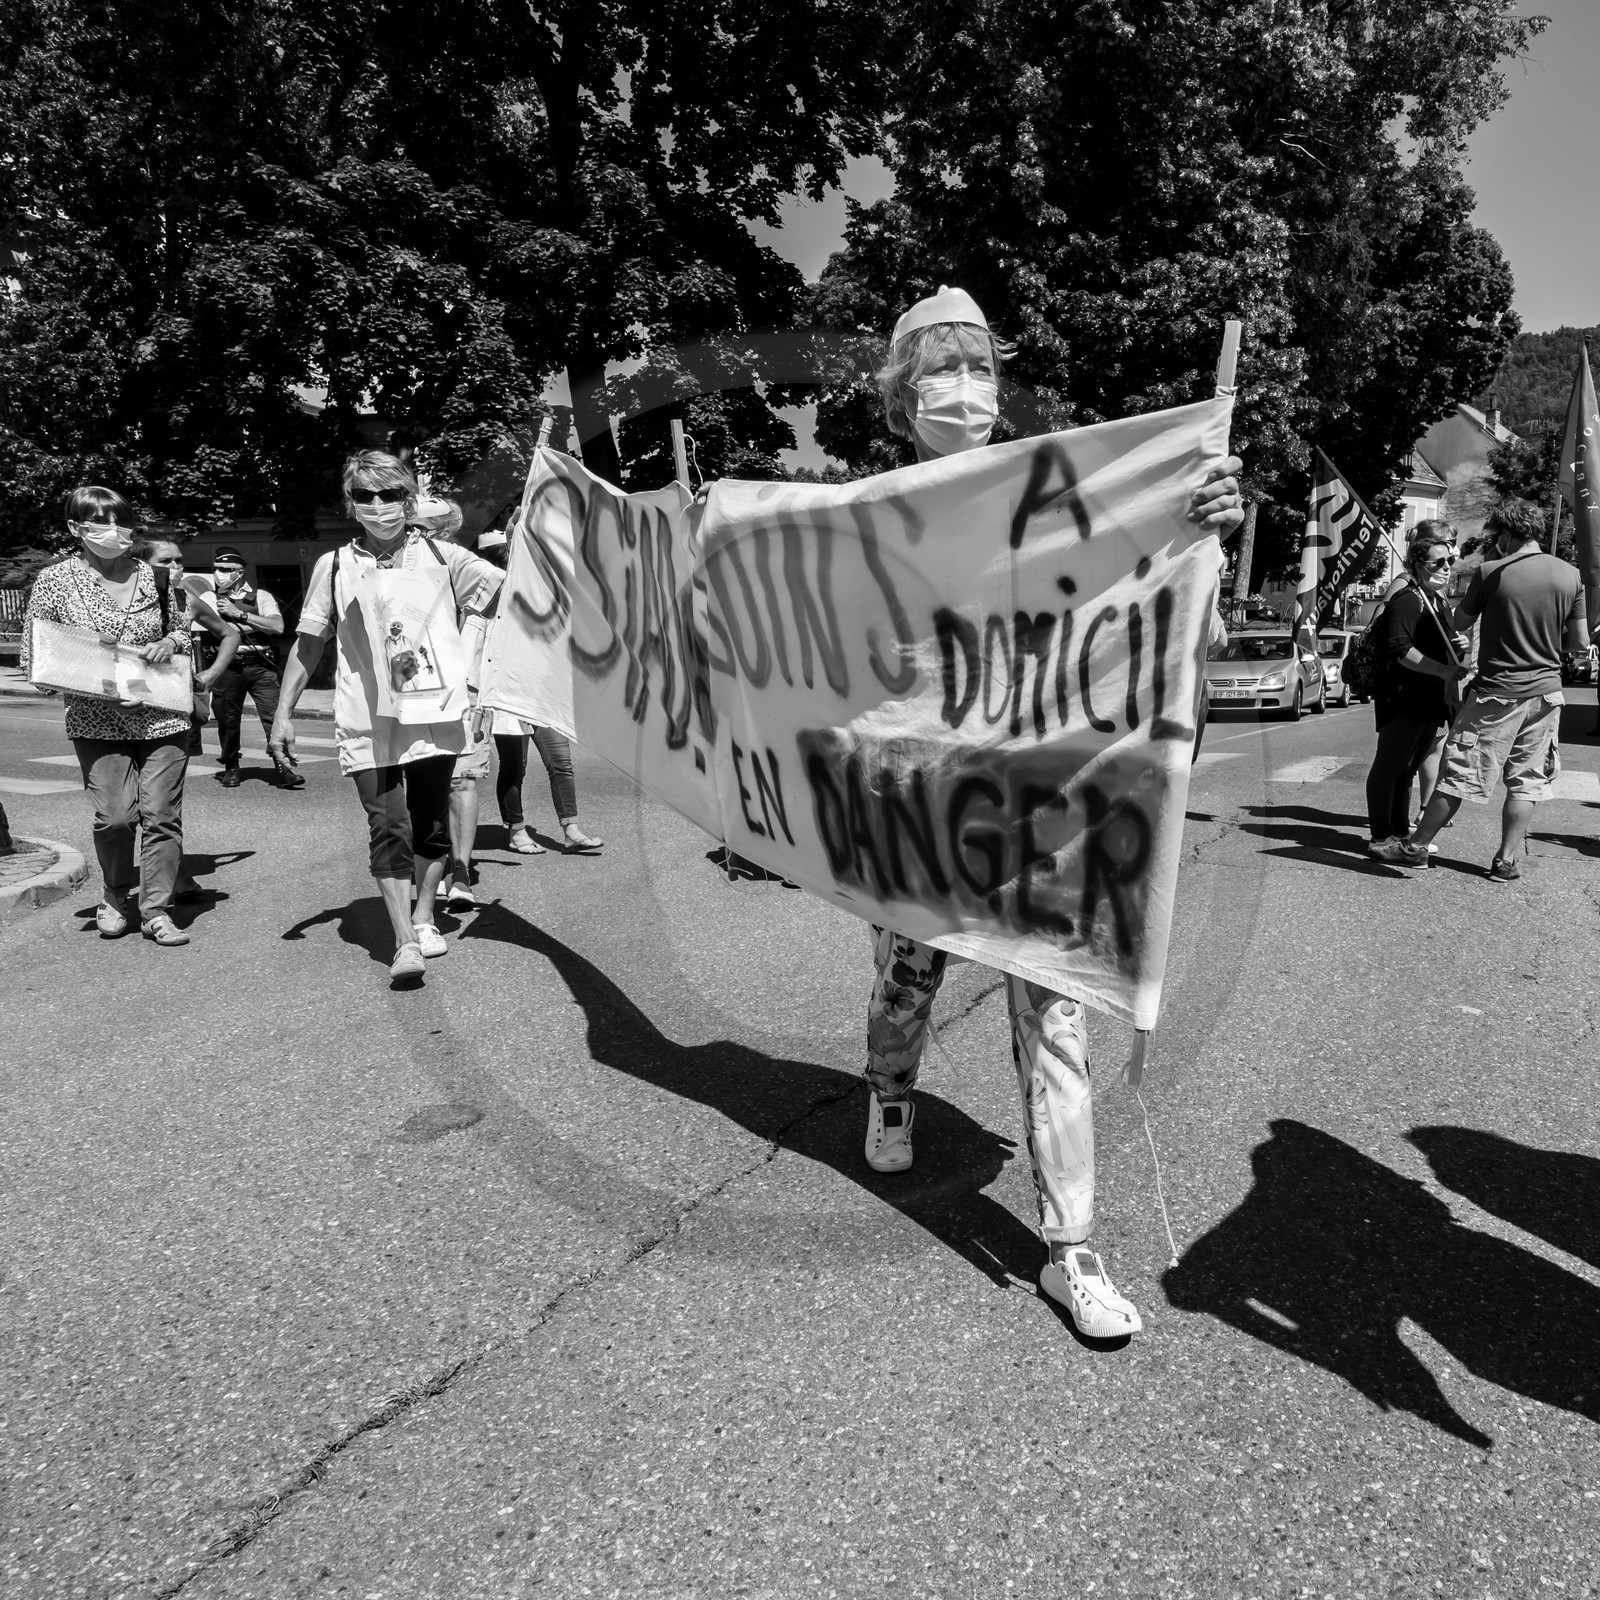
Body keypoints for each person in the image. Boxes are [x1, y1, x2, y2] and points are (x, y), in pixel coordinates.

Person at [861, 286, 1245, 1339]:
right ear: (902, 395)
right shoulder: (859, 514)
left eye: (979, 365)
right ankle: (889, 1088)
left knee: (1057, 1010)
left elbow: (1140, 585)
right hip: (915, 802)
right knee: (906, 975)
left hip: (1038, 807)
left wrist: (1199, 519)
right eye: (941, 367)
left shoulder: (1053, 493)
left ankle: (1070, 1247)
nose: (965, 387)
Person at [268, 452, 503, 979]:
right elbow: (308, 645)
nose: (380, 506)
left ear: (409, 500)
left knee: (430, 826)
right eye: (366, 496)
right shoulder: (334, 567)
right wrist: (282, 715)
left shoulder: (446, 559)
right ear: (351, 504)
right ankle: (405, 942)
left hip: (433, 713)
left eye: (391, 495)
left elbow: (511, 598)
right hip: (366, 718)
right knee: (388, 825)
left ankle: (424, 915)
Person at [21, 489, 198, 944]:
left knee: (161, 815)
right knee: (116, 818)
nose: (112, 530)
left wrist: (170, 644)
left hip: (160, 713)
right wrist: (93, 674)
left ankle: (157, 909)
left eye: (119, 520)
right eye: (98, 521)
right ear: (75, 529)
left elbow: (181, 630)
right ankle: (116, 893)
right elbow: (37, 662)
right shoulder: (55, 582)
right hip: (96, 719)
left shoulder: (156, 578)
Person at [1400, 497, 1590, 880]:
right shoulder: (1571, 575)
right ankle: (1505, 860)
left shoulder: (1492, 572)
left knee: (1458, 773)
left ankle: (1416, 847)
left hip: (1497, 691)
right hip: (1547, 694)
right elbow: (1578, 643)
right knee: (1526, 782)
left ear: (1504, 534)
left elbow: (1458, 622)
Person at [476, 522, 603, 860]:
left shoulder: (539, 590)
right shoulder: (488, 595)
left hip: (540, 691)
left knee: (561, 763)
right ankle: (516, 831)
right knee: (514, 767)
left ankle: (571, 830)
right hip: (507, 695)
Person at [137, 538, 243, 901]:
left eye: (179, 560)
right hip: (124, 711)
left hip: (174, 712)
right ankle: (122, 886)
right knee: (125, 808)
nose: (176, 567)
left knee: (163, 804)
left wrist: (211, 675)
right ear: (140, 563)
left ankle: (176, 878)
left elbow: (230, 634)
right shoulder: (120, 602)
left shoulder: (186, 599)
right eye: (165, 560)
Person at [1365, 525, 1463, 862]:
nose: (1446, 567)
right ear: (1418, 564)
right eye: (1438, 562)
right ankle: (1380, 838)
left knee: (1407, 770)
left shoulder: (1437, 601)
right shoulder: (1409, 599)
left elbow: (1440, 647)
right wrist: (1442, 669)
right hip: (1404, 698)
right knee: (1389, 767)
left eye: (1449, 560)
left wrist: (1457, 648)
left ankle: (1400, 834)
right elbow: (1399, 648)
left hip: (1431, 701)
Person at [205, 546, 303, 789]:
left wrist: (240, 615)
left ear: (240, 572)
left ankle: (283, 765)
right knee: (227, 719)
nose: (219, 573)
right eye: (216, 569)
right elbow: (214, 630)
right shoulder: (209, 598)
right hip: (228, 666)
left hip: (261, 665)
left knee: (274, 717)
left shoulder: (261, 596)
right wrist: (259, 625)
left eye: (226, 569)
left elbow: (278, 627)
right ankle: (231, 766)